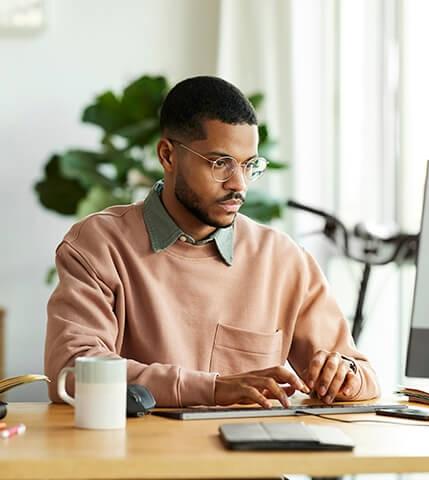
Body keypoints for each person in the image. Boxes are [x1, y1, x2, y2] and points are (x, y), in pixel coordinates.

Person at [44, 76, 380, 408]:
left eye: (249, 166)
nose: (239, 185)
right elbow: (72, 373)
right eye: (221, 164)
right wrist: (214, 389)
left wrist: (345, 376)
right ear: (168, 156)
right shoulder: (99, 245)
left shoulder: (283, 259)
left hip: (251, 461)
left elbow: (363, 375)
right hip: (141, 459)